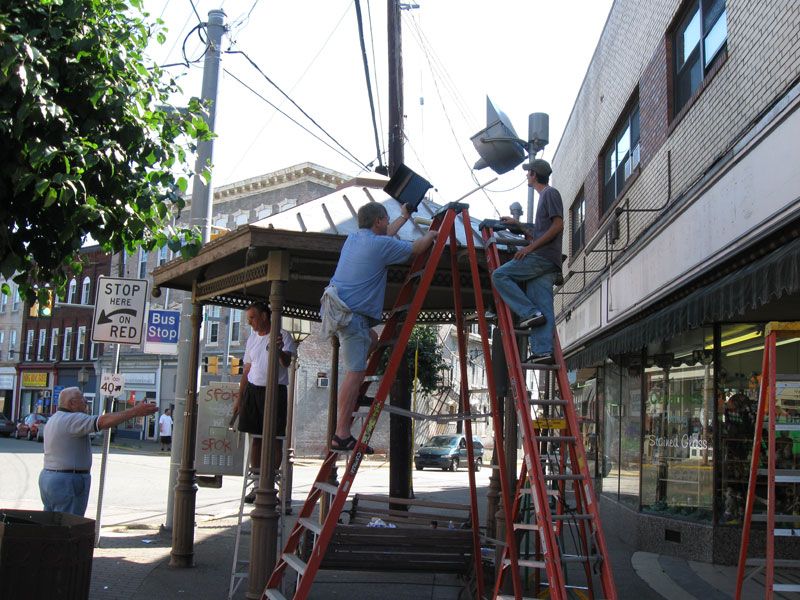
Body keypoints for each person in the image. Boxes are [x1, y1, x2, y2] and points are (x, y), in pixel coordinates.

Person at [321, 201, 437, 452]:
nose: (388, 223)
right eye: (386, 219)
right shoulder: (380, 244)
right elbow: (417, 248)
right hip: (353, 317)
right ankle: (341, 434)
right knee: (355, 374)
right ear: (378, 221)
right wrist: (433, 234)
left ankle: (341, 430)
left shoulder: (354, 239)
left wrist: (404, 217)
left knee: (371, 342)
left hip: (342, 311)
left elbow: (387, 236)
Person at [39, 386, 158, 516]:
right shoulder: (72, 419)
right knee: (68, 525)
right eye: (82, 399)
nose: (86, 401)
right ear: (72, 403)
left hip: (49, 477)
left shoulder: (54, 419)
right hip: (68, 480)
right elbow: (101, 422)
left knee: (51, 524)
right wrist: (133, 412)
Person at [491, 158, 564, 365]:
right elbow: (540, 233)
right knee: (543, 307)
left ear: (534, 174)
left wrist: (529, 249)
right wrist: (520, 225)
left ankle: (529, 312)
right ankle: (544, 351)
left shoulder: (550, 193)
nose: (526, 176)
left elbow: (558, 225)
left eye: (528, 172)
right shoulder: (546, 196)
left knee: (500, 275)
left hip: (542, 257)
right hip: (548, 260)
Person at [233, 301, 296, 502]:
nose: (250, 323)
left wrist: (277, 350)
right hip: (253, 390)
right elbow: (247, 369)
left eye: (252, 318)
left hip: (274, 390)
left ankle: (271, 487)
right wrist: (239, 397)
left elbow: (286, 362)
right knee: (256, 438)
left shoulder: (283, 335)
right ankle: (257, 483)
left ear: (264, 316)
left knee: (276, 438)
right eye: (248, 319)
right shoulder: (252, 338)